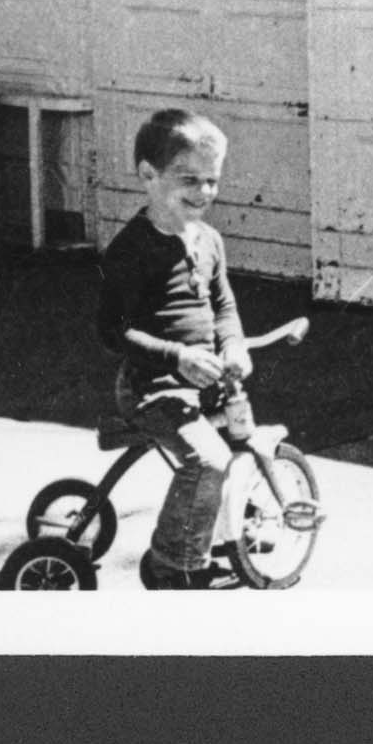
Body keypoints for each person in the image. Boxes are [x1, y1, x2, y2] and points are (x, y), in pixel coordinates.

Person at [97, 109, 249, 590]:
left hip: (205, 382)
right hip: (153, 386)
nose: (204, 192)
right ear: (148, 175)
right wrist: (177, 357)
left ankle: (220, 537)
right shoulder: (131, 250)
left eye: (212, 180)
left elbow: (224, 305)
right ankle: (173, 565)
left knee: (232, 448)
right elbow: (113, 331)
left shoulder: (209, 240)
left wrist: (234, 344)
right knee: (208, 462)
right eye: (189, 179)